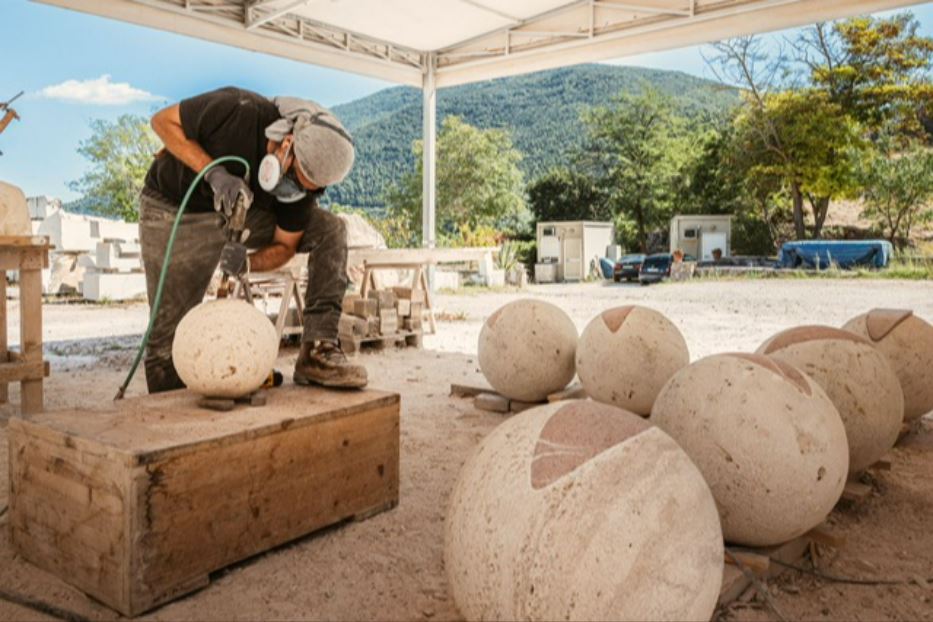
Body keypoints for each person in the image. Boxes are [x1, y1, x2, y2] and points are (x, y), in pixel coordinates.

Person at [141, 86, 367, 393]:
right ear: (288, 144)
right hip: (176, 208)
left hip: (246, 209)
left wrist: (246, 263)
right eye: (295, 177)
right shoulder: (237, 109)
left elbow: (284, 246)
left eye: (307, 188)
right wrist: (213, 173)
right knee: (167, 345)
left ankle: (318, 350)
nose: (293, 190)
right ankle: (172, 416)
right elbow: (162, 121)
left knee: (330, 229)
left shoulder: (301, 194)